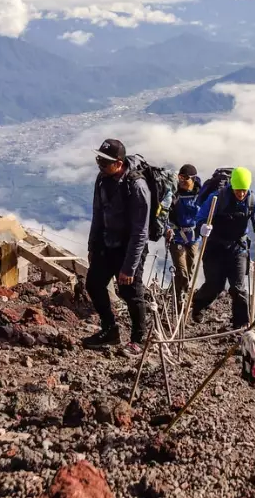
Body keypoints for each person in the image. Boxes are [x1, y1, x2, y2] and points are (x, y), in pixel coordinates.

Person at [84, 139, 151, 356]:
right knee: (94, 284)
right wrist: (92, 245)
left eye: (105, 162)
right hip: (106, 243)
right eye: (99, 160)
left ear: (119, 163)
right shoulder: (102, 179)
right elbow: (98, 214)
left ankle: (138, 339)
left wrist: (129, 267)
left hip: (129, 248)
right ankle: (110, 329)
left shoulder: (137, 186)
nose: (100, 165)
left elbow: (141, 231)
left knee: (130, 292)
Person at [190, 166, 255, 329]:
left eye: (243, 191)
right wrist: (202, 228)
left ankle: (241, 325)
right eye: (238, 190)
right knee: (215, 285)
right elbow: (199, 219)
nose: (241, 194)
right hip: (215, 247)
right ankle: (197, 305)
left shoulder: (253, 200)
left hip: (238, 248)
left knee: (238, 288)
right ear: (232, 186)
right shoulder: (216, 198)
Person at [166, 164, 202, 304]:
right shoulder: (174, 193)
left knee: (190, 269)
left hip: (194, 237)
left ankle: (175, 294)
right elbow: (164, 212)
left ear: (193, 179)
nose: (181, 181)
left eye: (185, 178)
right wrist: (167, 229)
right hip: (176, 236)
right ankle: (182, 298)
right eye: (180, 177)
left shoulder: (201, 194)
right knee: (182, 271)